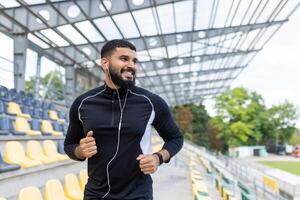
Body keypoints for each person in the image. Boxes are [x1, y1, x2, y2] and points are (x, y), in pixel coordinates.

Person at [64, 39, 183, 200]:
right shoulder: (83, 103)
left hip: (138, 194)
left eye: (134, 61)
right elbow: (69, 146)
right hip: (96, 194)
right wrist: (80, 150)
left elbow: (175, 138)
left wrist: (158, 158)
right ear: (105, 63)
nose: (132, 65)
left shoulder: (152, 102)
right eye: (124, 59)